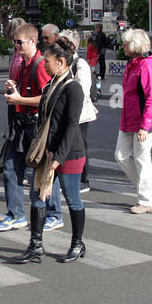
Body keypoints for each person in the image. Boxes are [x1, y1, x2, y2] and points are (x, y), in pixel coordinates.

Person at [10, 38, 89, 264]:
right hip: (48, 151)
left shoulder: (73, 88)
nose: (44, 64)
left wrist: (59, 158)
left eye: (47, 60)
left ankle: (77, 243)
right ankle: (36, 245)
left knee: (72, 198)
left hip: (69, 153)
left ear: (61, 62)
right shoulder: (51, 85)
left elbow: (72, 125)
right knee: (37, 196)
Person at [0, 23, 63, 231]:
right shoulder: (24, 62)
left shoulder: (41, 64)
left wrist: (20, 99)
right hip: (21, 123)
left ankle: (54, 214)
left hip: (35, 124)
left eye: (19, 42)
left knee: (43, 170)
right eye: (15, 42)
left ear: (32, 41)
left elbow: (47, 97)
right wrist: (15, 90)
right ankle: (16, 214)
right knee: (10, 168)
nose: (16, 46)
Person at [115, 28, 152, 213]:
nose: (123, 46)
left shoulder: (147, 65)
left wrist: (145, 125)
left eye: (125, 43)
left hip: (144, 120)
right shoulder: (134, 63)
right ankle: (149, 184)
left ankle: (146, 200)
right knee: (121, 155)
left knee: (142, 159)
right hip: (130, 118)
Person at [0, 17, 28, 182]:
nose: (14, 42)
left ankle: (7, 165)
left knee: (17, 132)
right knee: (14, 131)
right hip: (13, 92)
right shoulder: (16, 51)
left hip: (19, 95)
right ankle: (6, 164)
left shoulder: (23, 53)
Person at [59, 29, 97, 192]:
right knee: (67, 143)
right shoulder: (63, 63)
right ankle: (68, 177)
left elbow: (82, 90)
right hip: (66, 111)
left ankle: (83, 180)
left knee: (80, 145)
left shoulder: (79, 64)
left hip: (80, 113)